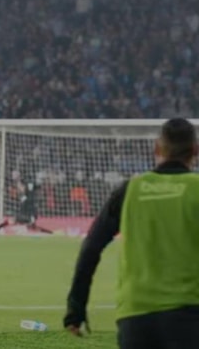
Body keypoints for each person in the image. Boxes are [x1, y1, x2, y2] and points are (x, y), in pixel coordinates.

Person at [64, 118, 199, 348]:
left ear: (157, 148)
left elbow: (91, 248)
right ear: (195, 150)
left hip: (135, 319)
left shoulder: (130, 190)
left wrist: (75, 309)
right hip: (189, 317)